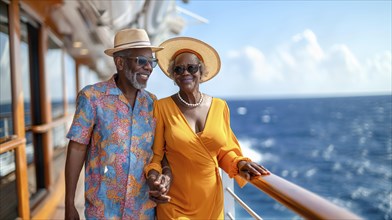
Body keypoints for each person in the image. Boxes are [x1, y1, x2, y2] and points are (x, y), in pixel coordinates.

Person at [144, 37, 271, 219]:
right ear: (173, 75)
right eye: (178, 69)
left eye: (191, 67)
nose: (184, 72)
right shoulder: (161, 107)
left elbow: (225, 152)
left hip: (212, 204)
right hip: (174, 204)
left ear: (201, 71)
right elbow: (156, 155)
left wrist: (241, 163)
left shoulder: (220, 107)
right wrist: (154, 179)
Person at [65, 28, 171, 220]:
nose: (149, 67)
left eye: (151, 62)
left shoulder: (153, 103)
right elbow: (77, 149)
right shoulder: (92, 98)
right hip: (102, 210)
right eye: (141, 61)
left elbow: (159, 152)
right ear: (120, 62)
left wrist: (164, 177)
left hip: (143, 211)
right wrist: (69, 203)